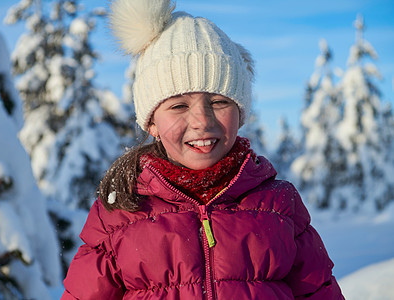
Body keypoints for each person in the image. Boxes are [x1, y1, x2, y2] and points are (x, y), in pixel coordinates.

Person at [61, 0, 344, 299]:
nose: (202, 121)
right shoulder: (120, 213)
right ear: (151, 123)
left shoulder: (278, 205)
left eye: (219, 102)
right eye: (179, 105)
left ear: (241, 112)